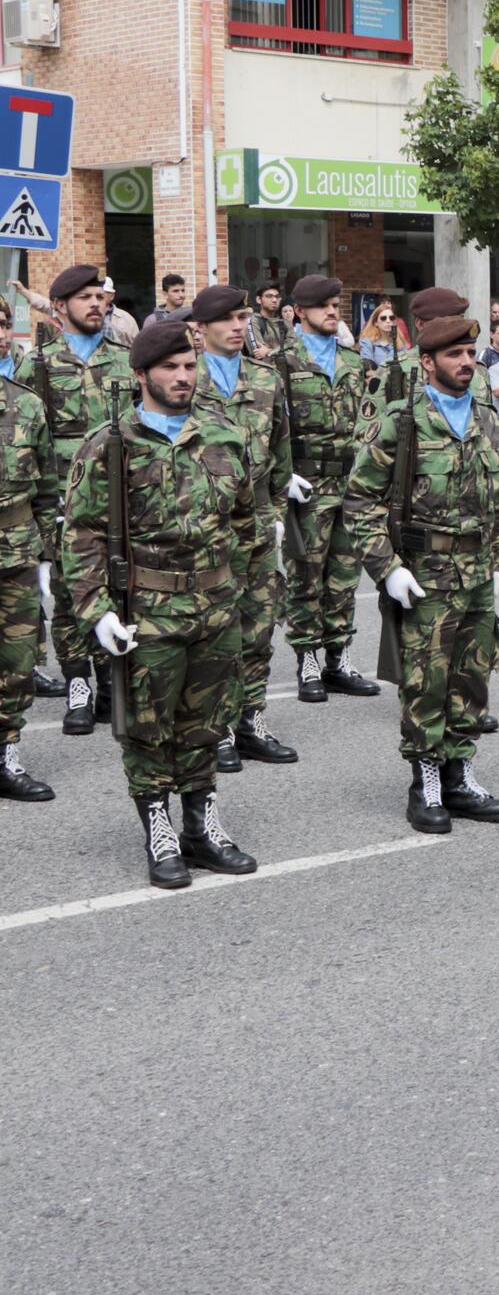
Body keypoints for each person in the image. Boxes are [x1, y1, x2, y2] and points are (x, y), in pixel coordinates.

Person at [61, 321, 261, 888]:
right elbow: (82, 534)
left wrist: (237, 586)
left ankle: (201, 827)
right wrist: (97, 610)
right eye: (170, 368)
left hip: (216, 609)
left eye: (189, 367)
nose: (182, 377)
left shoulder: (225, 436)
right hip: (146, 611)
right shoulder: (110, 444)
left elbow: (246, 519)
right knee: (149, 727)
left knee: (206, 722)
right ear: (141, 373)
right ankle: (159, 828)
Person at [344, 312, 499, 835]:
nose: (467, 362)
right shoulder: (403, 420)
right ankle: (427, 782)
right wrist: (386, 568)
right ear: (427, 362)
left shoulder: (487, 418)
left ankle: (460, 774)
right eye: (454, 355)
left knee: (472, 675)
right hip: (425, 572)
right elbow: (359, 500)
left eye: (470, 353)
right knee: (425, 681)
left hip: (478, 571)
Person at [186, 284, 298, 771]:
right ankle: (218, 726)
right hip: (207, 528)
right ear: (201, 328)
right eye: (227, 319)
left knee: (258, 624)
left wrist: (275, 511)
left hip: (256, 524)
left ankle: (251, 718)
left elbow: (281, 450)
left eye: (242, 318)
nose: (238, 327)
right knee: (216, 630)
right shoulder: (187, 379)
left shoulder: (265, 376)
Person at [30, 264, 135, 735]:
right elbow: (30, 438)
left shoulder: (125, 357)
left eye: (100, 296)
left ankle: (110, 679)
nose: (96, 304)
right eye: (85, 298)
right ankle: (77, 683)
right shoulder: (40, 363)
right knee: (71, 592)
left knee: (118, 585)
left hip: (121, 496)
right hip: (65, 500)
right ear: (60, 306)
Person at [276, 275, 383, 704]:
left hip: (350, 483)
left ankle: (338, 657)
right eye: (322, 305)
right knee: (306, 575)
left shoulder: (354, 362)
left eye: (335, 304)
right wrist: (281, 475)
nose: (332, 311)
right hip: (307, 484)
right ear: (300, 311)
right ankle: (307, 659)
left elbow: (369, 425)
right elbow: (270, 429)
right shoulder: (281, 363)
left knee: (343, 576)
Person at [0, 293, 54, 801]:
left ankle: (6, 754)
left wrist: (45, 556)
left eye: (0, 324)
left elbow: (46, 488)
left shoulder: (26, 403)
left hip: (15, 552)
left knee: (16, 662)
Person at [357, 302, 402, 369]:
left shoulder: (398, 342)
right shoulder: (367, 343)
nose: (388, 321)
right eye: (383, 318)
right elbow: (368, 370)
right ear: (375, 322)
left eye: (391, 318)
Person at [249, 285, 289, 359]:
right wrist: (284, 353)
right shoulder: (254, 321)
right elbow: (259, 353)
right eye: (269, 296)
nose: (274, 300)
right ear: (258, 299)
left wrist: (268, 351)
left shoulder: (285, 323)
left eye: (277, 296)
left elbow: (295, 350)